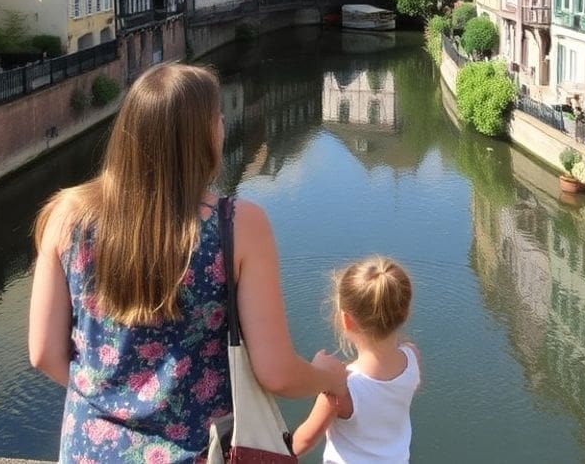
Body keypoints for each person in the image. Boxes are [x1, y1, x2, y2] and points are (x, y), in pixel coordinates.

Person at [28, 63, 347, 463]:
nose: (222, 123)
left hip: (89, 451)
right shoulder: (237, 225)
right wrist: (329, 376)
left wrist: (114, 401)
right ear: (203, 135)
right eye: (217, 116)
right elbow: (276, 372)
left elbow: (43, 353)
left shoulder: (66, 215)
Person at [292, 257, 421, 463]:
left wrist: (318, 375)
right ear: (404, 313)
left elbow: (302, 443)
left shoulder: (341, 388)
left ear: (346, 320)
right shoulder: (412, 357)